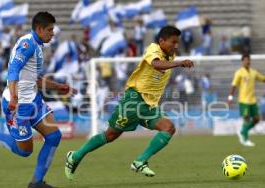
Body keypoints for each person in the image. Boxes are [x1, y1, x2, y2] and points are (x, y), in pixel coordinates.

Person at [65, 26, 194, 179]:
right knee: (111, 135)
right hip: (134, 99)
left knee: (168, 127)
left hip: (149, 105)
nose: (176, 46)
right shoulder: (153, 49)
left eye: (177, 42)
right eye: (173, 42)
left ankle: (140, 161)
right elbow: (156, 64)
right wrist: (179, 63)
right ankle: (75, 156)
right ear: (161, 41)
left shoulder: (170, 55)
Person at [0, 12, 76, 188]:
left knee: (54, 136)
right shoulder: (28, 45)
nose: (53, 33)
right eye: (50, 30)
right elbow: (13, 70)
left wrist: (59, 87)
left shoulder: (36, 45)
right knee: (24, 151)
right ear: (39, 29)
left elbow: (33, 77)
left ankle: (37, 181)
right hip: (18, 105)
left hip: (33, 100)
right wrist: (14, 97)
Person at [228, 54, 265, 147]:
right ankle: (246, 139)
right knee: (247, 120)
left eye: (248, 60)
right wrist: (230, 98)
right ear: (242, 61)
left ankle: (242, 131)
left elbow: (263, 79)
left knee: (257, 119)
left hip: (253, 100)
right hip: (243, 100)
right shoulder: (239, 72)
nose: (247, 62)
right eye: (245, 60)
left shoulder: (253, 72)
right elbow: (234, 86)